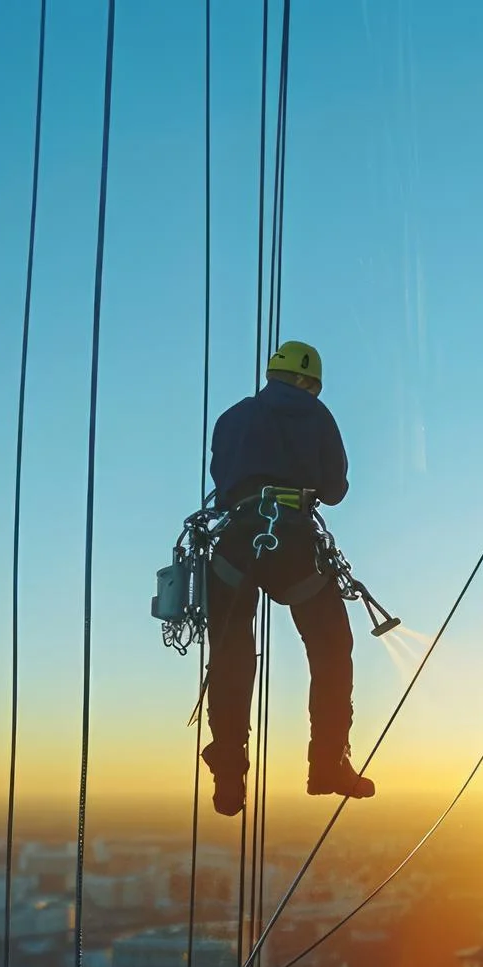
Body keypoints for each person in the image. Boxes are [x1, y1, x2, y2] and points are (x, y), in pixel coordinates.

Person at [198, 341, 374, 817]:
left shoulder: (232, 417)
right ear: (306, 381)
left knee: (231, 653)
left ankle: (228, 773)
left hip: (235, 542)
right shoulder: (315, 414)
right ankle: (327, 764)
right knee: (331, 648)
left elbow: (221, 483)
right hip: (292, 542)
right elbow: (334, 490)